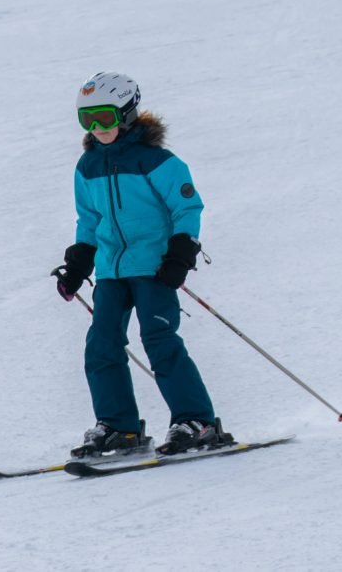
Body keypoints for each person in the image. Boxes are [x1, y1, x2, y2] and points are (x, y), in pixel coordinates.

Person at [54, 71, 226, 457]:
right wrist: (79, 263)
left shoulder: (158, 161)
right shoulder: (87, 167)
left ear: (127, 113)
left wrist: (181, 253)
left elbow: (186, 207)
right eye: (87, 120)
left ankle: (196, 421)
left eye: (105, 118)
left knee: (159, 340)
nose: (97, 128)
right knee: (101, 346)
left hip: (155, 269)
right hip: (112, 272)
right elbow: (90, 220)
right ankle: (119, 426)